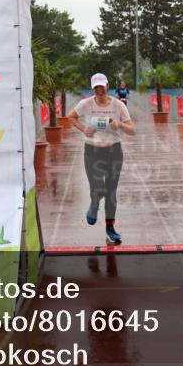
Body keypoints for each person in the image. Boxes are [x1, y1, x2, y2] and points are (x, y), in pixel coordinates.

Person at [67, 73, 136, 245]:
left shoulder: (118, 105)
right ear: (93, 89)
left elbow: (132, 130)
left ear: (108, 86)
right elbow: (70, 116)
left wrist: (119, 124)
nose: (100, 90)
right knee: (97, 188)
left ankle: (110, 229)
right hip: (92, 151)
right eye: (96, 87)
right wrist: (83, 129)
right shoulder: (86, 103)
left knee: (111, 192)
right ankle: (95, 203)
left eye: (102, 87)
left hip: (114, 151)